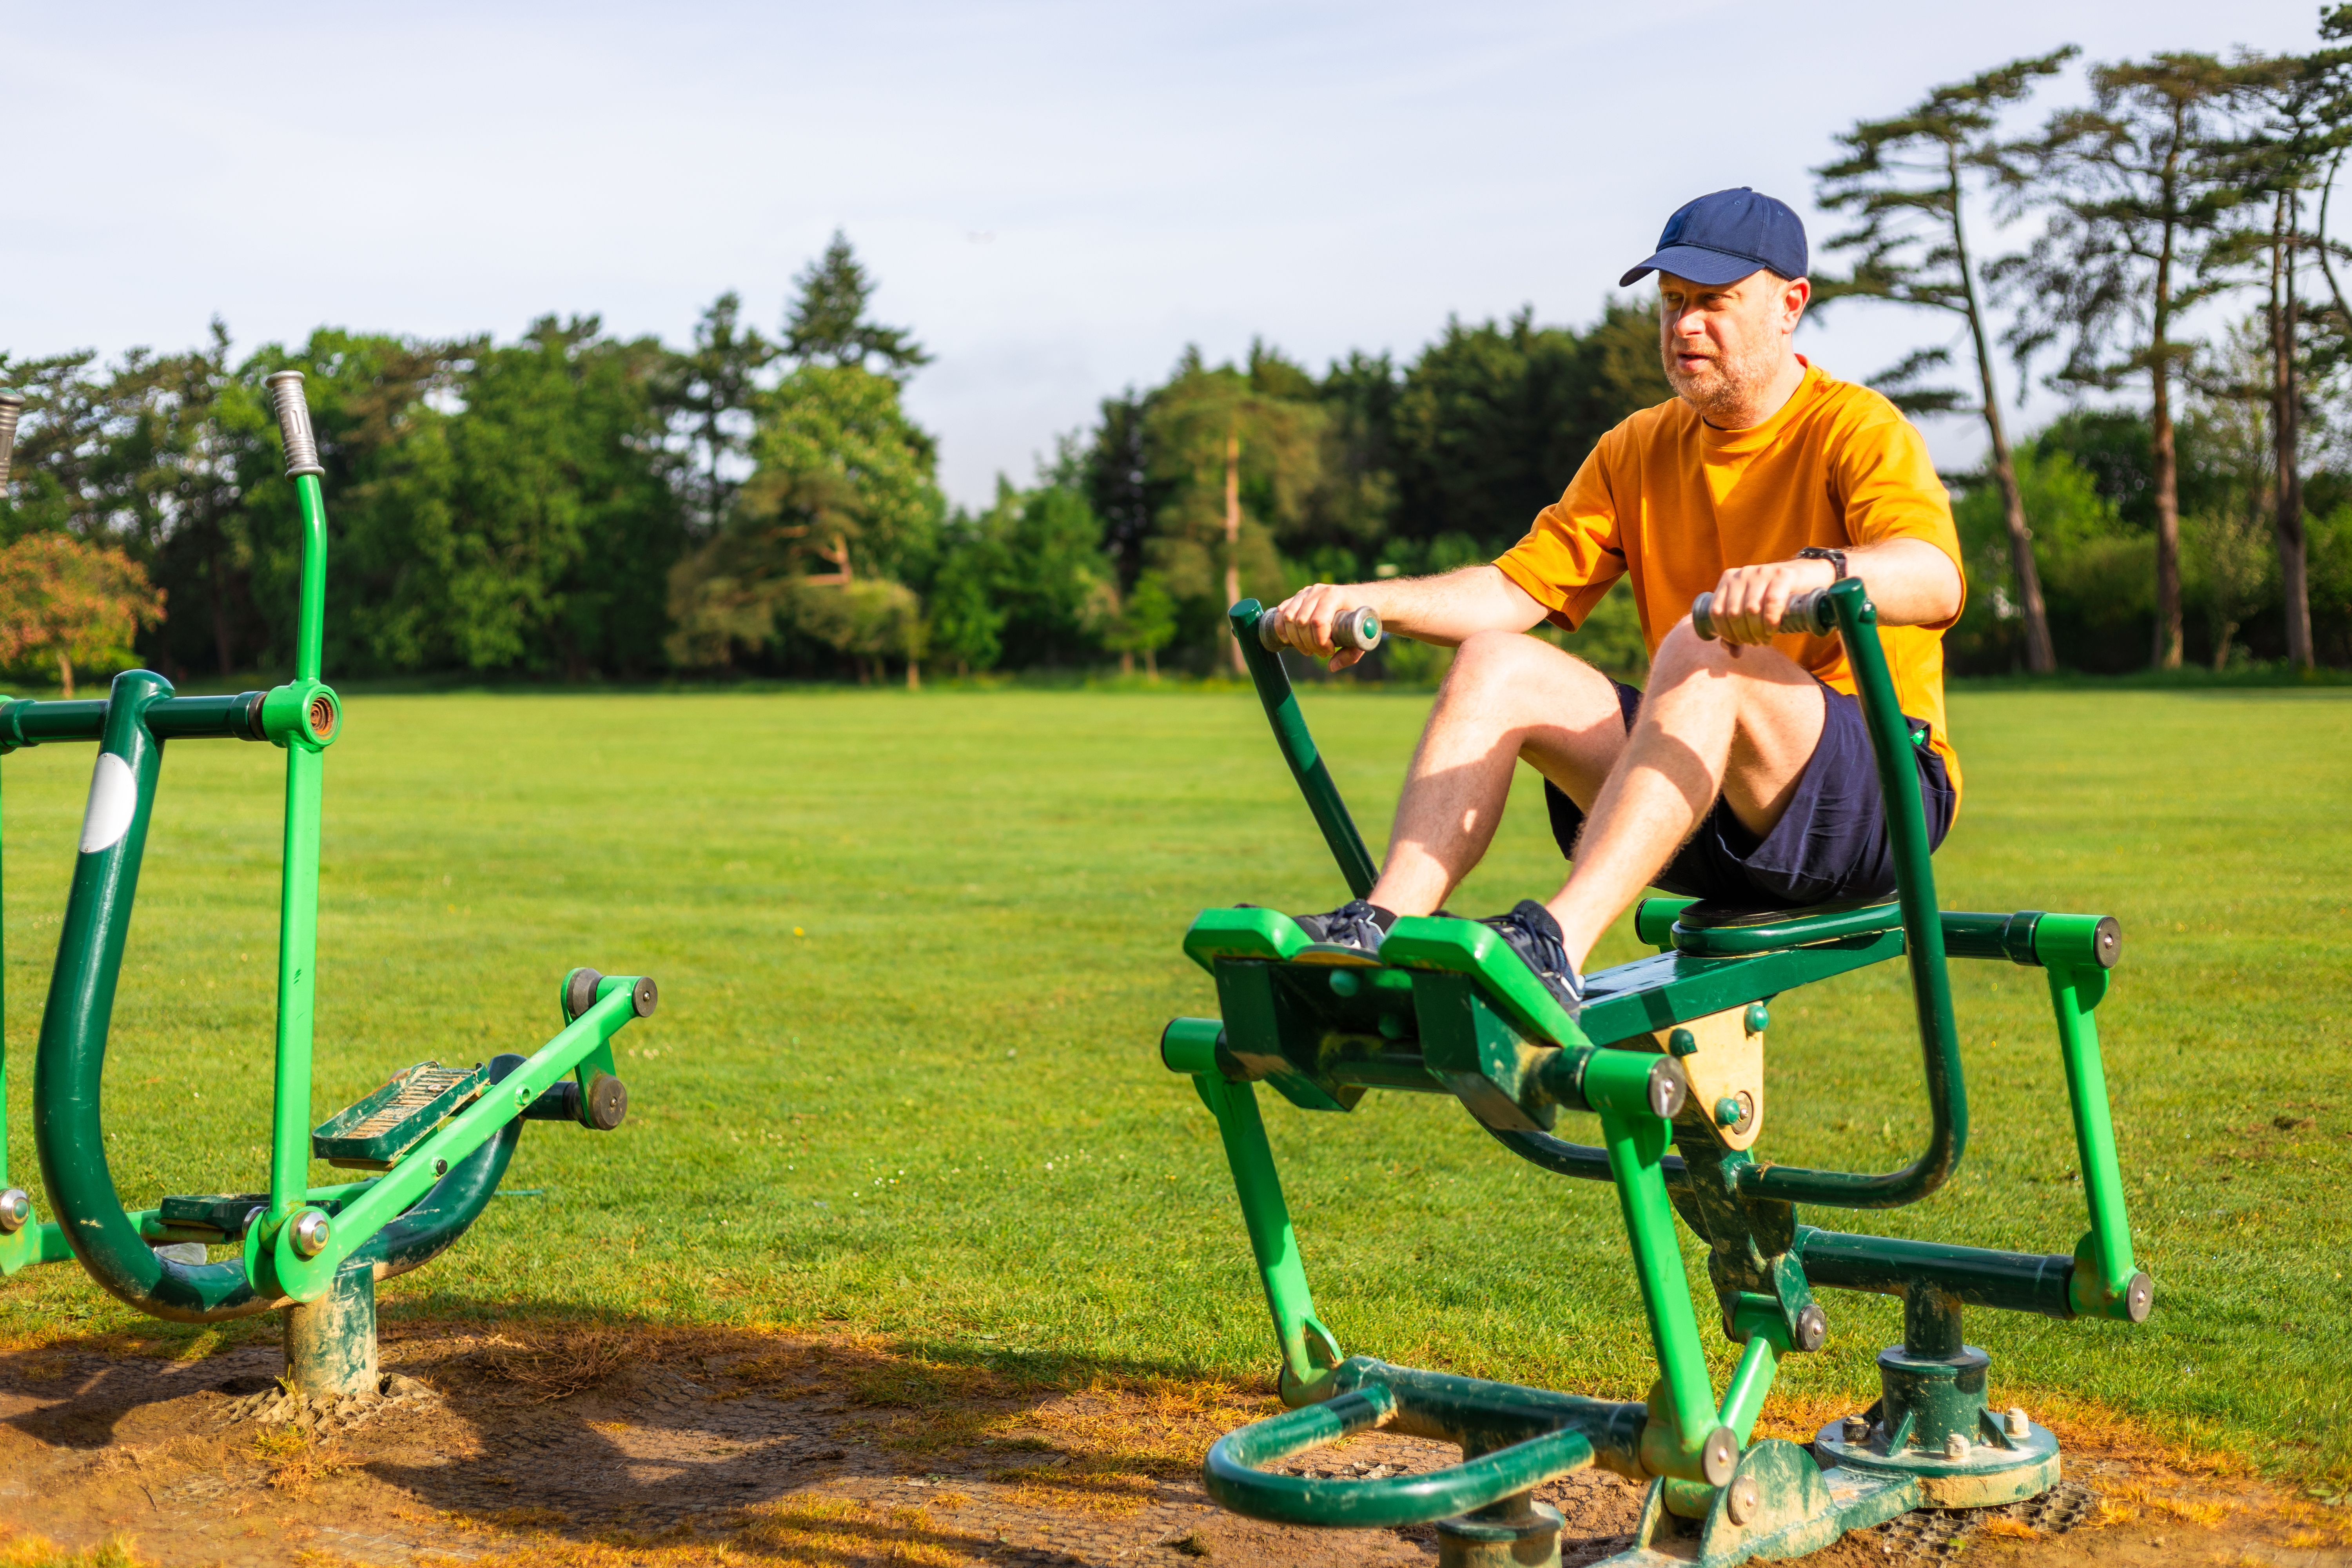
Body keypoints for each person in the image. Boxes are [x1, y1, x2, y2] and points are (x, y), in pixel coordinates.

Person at [1260, 187, 1965, 1016]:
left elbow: (1934, 575)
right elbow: (1512, 591)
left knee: (1705, 646)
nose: (1685, 326)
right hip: (1710, 816)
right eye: (1671, 305)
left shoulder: (1855, 427)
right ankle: (1386, 920)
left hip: (1878, 796)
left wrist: (1815, 576)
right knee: (1496, 660)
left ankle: (1556, 941)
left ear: (1790, 305)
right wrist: (1361, 599)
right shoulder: (1636, 446)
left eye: (1713, 302)